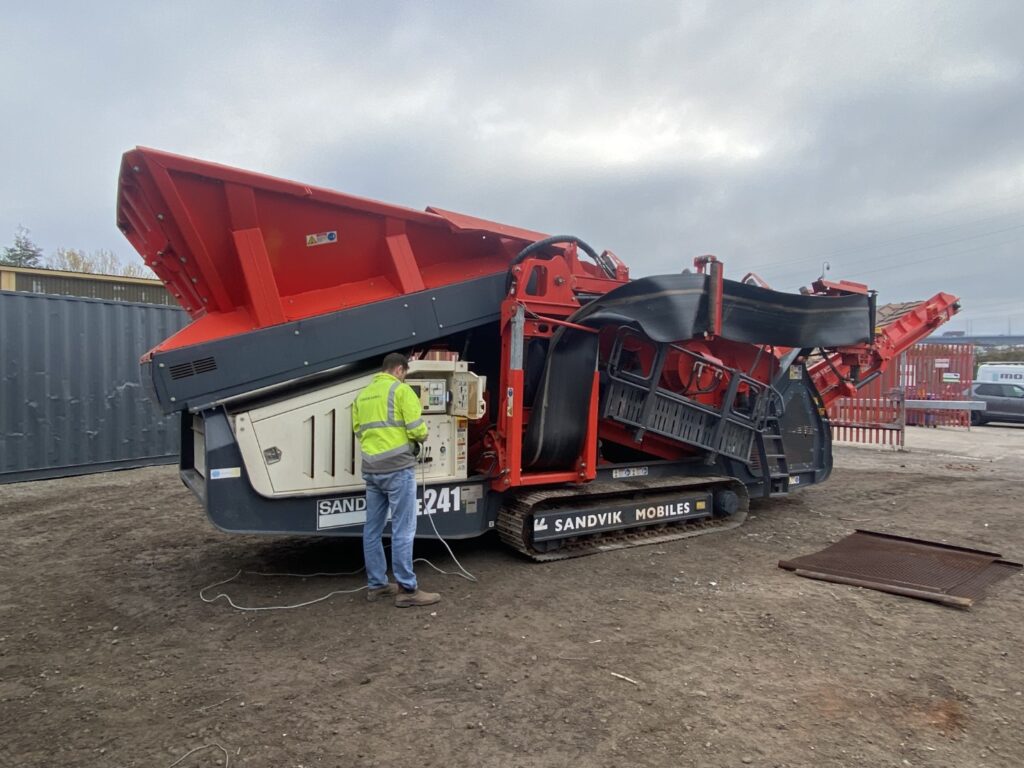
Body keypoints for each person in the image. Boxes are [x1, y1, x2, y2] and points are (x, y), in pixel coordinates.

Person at [352, 353, 440, 607]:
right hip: (398, 469)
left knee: (372, 529)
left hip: (371, 470)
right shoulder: (401, 391)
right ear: (400, 370)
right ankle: (407, 590)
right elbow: (417, 429)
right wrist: (420, 437)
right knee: (403, 529)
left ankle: (377, 585)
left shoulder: (363, 396)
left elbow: (359, 430)